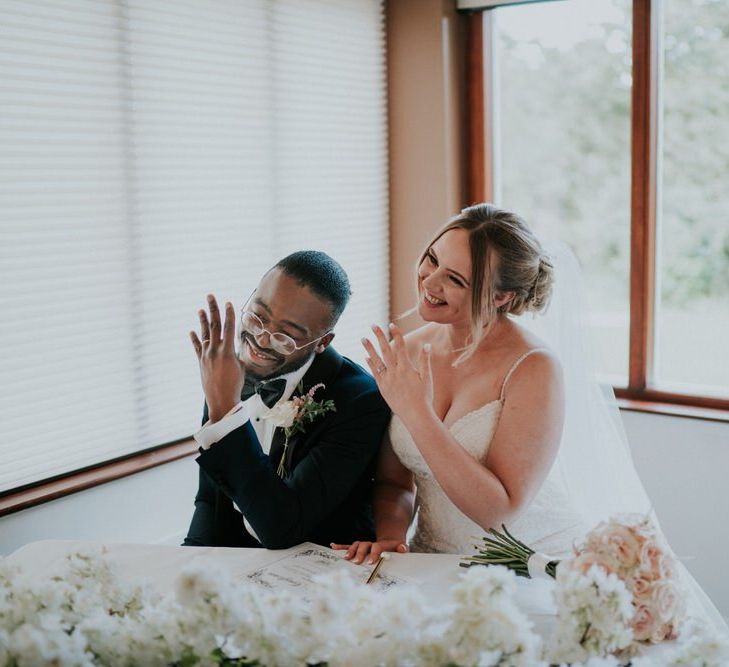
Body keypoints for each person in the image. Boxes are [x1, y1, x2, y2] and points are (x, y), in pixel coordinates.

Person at [334, 203, 587, 563]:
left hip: (530, 563)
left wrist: (416, 412)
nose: (430, 282)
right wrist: (391, 537)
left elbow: (497, 513)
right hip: (434, 560)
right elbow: (395, 483)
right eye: (432, 260)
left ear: (501, 297)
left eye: (455, 279)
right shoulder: (406, 351)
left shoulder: (534, 368)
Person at [183, 251, 389, 549]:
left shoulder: (359, 401)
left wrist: (225, 409)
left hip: (321, 570)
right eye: (258, 316)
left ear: (322, 342)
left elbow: (281, 528)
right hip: (245, 566)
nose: (262, 340)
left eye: (286, 335)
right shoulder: (228, 370)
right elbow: (212, 498)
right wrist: (189, 567)